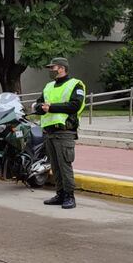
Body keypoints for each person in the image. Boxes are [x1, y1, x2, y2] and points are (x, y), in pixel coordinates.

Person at [34, 57, 86, 209]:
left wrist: (51, 108)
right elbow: (39, 102)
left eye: (53, 67)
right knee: (55, 166)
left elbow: (75, 105)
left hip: (65, 132)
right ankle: (60, 194)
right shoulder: (49, 86)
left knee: (64, 165)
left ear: (62, 68)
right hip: (49, 132)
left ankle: (70, 196)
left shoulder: (75, 84)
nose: (51, 70)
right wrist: (39, 107)